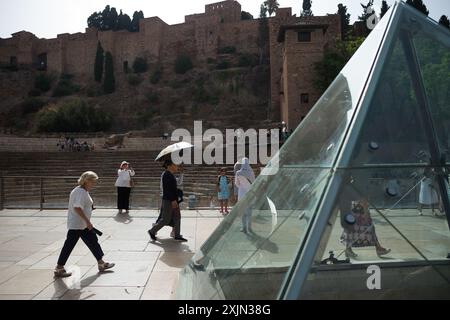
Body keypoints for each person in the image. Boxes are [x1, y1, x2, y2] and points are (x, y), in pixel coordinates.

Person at [54, 171, 114, 277]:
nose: (94, 184)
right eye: (93, 182)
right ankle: (59, 267)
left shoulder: (82, 191)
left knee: (93, 241)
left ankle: (101, 263)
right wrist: (87, 221)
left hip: (82, 225)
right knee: (69, 245)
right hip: (78, 225)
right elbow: (77, 207)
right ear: (87, 181)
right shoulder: (80, 192)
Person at [148, 159, 187, 242]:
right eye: (175, 165)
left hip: (173, 199)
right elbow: (167, 190)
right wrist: (173, 200)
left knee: (177, 217)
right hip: (169, 200)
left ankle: (177, 235)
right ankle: (152, 231)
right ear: (170, 166)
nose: (177, 166)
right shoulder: (166, 175)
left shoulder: (170, 174)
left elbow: (174, 187)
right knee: (166, 219)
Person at [235, 157, 255, 233]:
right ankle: (249, 227)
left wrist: (241, 187)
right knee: (249, 211)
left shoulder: (238, 172)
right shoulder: (251, 172)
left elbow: (236, 183)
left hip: (241, 193)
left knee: (243, 211)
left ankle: (244, 228)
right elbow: (253, 182)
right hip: (250, 193)